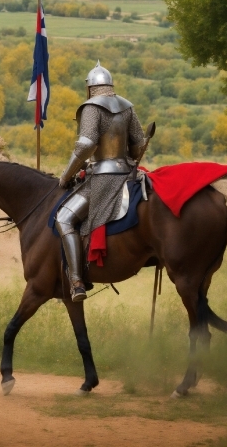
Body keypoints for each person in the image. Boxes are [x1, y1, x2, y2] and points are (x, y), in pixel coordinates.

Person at [55, 61, 145, 301]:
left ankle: (76, 282)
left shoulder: (91, 107)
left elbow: (85, 144)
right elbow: (137, 145)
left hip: (103, 179)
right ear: (110, 85)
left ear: (90, 88)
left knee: (64, 219)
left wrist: (66, 176)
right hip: (127, 173)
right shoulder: (127, 107)